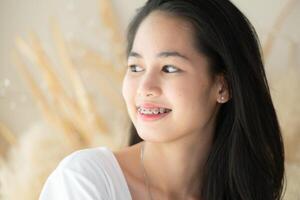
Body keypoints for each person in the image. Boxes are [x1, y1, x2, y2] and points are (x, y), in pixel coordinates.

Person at [39, 0, 285, 199]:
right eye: (135, 67)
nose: (145, 88)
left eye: (169, 68)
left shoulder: (246, 190)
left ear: (223, 85)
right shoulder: (85, 181)